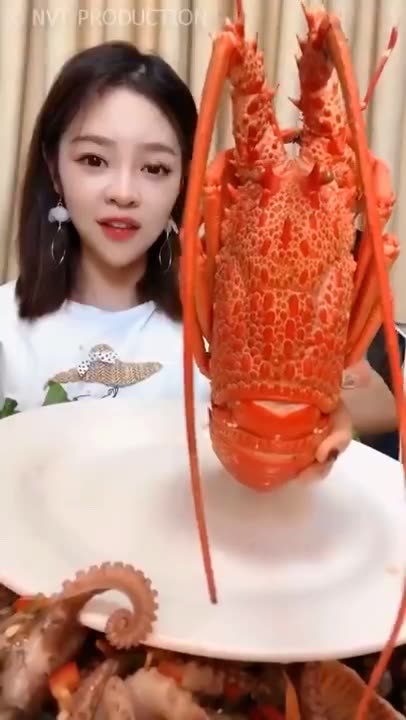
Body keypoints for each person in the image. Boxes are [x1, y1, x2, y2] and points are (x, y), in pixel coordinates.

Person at [0, 41, 397, 478]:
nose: (124, 193)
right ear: (54, 169)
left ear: (186, 181)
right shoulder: (5, 328)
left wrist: (322, 419)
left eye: (155, 168)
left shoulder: (226, 324)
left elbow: (380, 404)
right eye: (94, 160)